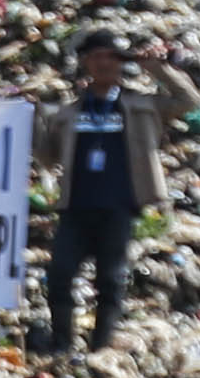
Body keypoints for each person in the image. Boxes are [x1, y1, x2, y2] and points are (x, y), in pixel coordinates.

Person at [39, 32, 159, 354]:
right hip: (75, 207)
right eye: (96, 57)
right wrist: (32, 119)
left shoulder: (139, 105)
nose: (103, 63)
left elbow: (188, 100)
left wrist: (156, 68)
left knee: (111, 279)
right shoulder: (69, 112)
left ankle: (100, 347)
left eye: (111, 56)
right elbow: (48, 157)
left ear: (122, 63)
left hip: (119, 206)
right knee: (60, 274)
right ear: (85, 63)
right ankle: (61, 343)